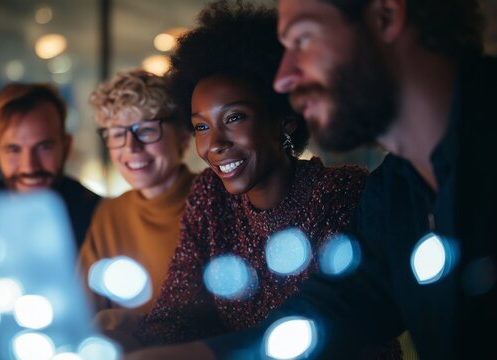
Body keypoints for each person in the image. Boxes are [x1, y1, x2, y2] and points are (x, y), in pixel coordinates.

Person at [130, 0, 496, 358]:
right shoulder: (394, 190)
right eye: (200, 126)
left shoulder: (352, 191)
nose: (285, 78)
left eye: (302, 40)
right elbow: (339, 308)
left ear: (385, 15)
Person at [78, 70, 196, 316]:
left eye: (146, 130)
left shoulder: (215, 200)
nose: (131, 147)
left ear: (183, 137)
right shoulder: (109, 213)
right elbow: (82, 310)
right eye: (118, 134)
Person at [0, 83, 100, 247]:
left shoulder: (98, 219)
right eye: (14, 150)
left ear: (66, 146)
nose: (29, 167)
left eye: (44, 147)